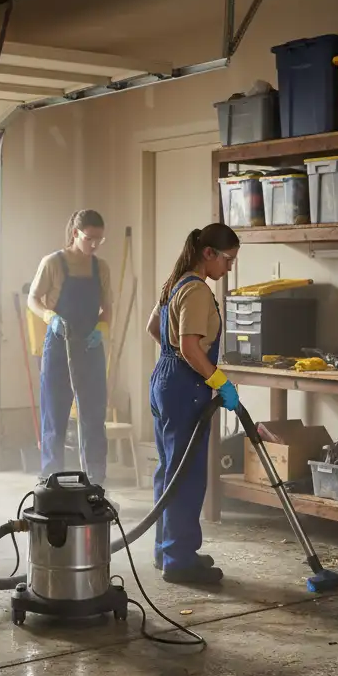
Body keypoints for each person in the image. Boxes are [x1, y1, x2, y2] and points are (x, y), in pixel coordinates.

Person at [146, 223, 241, 585]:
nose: (228, 267)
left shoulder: (175, 283)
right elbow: (190, 347)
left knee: (169, 471)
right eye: (227, 260)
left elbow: (154, 328)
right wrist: (219, 380)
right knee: (185, 475)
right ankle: (179, 561)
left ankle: (167, 550)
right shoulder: (198, 290)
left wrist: (174, 359)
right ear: (208, 253)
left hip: (165, 380)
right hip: (185, 386)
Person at [28, 210, 113, 485]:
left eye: (99, 240)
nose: (94, 245)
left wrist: (101, 329)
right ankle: (49, 481)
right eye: (89, 238)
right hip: (59, 346)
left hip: (90, 347)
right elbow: (33, 298)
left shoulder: (101, 268)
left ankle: (95, 481)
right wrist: (49, 317)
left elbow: (107, 308)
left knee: (93, 417)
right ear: (75, 233)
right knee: (55, 416)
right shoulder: (53, 263)